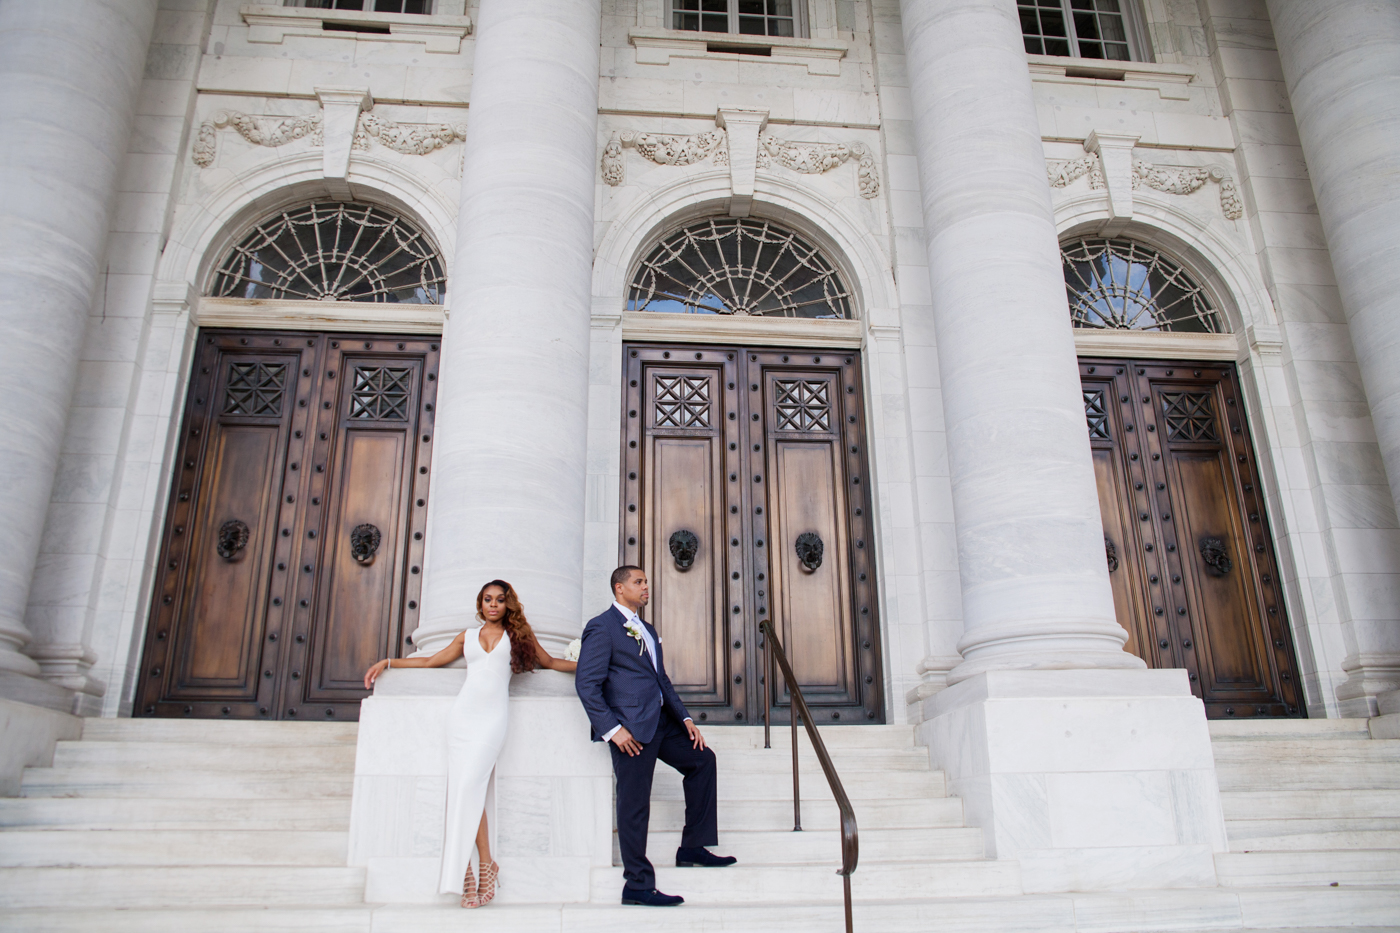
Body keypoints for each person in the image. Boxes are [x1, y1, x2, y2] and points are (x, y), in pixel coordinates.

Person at [363, 579, 577, 908]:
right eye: (488, 599)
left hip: (492, 721)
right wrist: (389, 663)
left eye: (500, 599)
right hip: (462, 719)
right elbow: (430, 661)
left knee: (468, 787)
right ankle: (477, 867)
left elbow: (550, 663)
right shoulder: (466, 636)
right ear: (480, 604)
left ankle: (482, 864)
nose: (493, 605)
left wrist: (596, 667)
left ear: (509, 604)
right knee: (466, 789)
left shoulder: (517, 635)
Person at [574, 565, 737, 907]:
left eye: (646, 581)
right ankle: (636, 884)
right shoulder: (601, 627)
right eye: (638, 582)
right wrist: (613, 730)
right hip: (630, 729)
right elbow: (586, 684)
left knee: (702, 761)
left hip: (663, 723)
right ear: (619, 589)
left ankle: (692, 846)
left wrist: (686, 718)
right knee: (634, 803)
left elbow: (661, 679)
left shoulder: (646, 629)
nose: (646, 586)